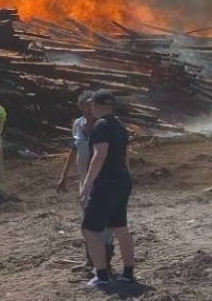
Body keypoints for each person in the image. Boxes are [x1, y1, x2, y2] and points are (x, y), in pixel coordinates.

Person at [80, 89, 136, 287]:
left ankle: (101, 275)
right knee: (120, 227)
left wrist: (87, 184)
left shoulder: (100, 126)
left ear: (95, 105)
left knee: (88, 229)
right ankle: (128, 273)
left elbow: (99, 155)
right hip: (121, 180)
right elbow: (125, 155)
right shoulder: (120, 125)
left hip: (106, 183)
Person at [56, 91, 115, 273]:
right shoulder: (77, 124)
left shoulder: (104, 126)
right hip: (85, 180)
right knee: (87, 222)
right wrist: (64, 176)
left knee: (103, 224)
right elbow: (74, 150)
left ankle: (104, 264)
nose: (88, 113)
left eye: (90, 108)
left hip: (103, 180)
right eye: (84, 109)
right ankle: (91, 261)